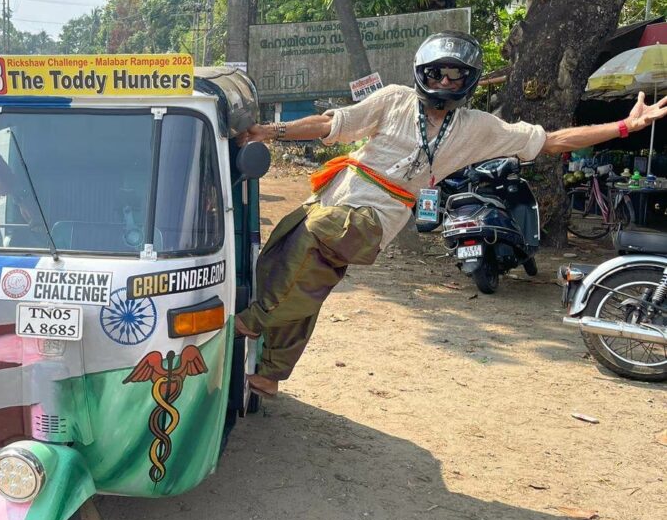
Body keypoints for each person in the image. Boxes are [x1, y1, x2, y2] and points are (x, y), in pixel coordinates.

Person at [235, 30, 667, 398]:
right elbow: (331, 124)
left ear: (468, 81)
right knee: (289, 268)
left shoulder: (479, 127)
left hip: (374, 217)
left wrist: (624, 127)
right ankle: (271, 375)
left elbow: (552, 140)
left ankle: (252, 324)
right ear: (422, 73)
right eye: (438, 72)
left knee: (315, 236)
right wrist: (272, 131)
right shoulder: (393, 100)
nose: (445, 80)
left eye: (455, 74)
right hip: (336, 195)